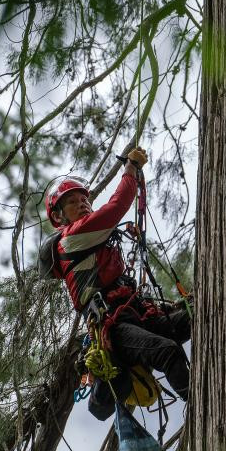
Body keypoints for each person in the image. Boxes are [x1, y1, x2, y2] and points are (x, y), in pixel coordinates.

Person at [44, 148, 191, 419]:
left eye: (83, 199)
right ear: (59, 216)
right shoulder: (71, 238)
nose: (83, 204)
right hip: (113, 325)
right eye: (73, 202)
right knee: (167, 351)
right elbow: (115, 208)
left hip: (134, 313)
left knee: (195, 315)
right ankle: (200, 409)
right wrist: (131, 169)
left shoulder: (93, 239)